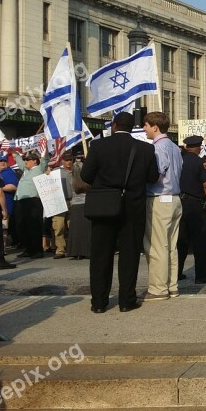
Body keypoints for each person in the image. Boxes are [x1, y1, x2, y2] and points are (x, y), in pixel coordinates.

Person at [81, 112, 159, 313]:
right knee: (130, 255)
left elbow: (86, 175)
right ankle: (126, 300)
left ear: (114, 126)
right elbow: (152, 177)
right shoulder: (145, 149)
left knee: (100, 255)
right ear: (133, 127)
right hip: (132, 208)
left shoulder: (98, 146)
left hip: (104, 207)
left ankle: (99, 302)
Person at [142, 111, 183, 301]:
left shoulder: (158, 148)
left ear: (155, 127)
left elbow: (156, 174)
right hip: (174, 198)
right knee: (170, 246)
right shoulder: (175, 147)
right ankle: (171, 285)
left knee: (157, 246)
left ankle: (158, 288)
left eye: (146, 125)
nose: (144, 129)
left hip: (160, 197)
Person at [177, 136, 206, 284]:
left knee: (181, 240)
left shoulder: (179, 161)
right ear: (200, 147)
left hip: (179, 203)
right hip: (195, 204)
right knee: (200, 240)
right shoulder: (200, 163)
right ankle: (201, 274)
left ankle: (177, 272)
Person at [13, 149, 49, 259]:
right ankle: (28, 249)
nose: (26, 161)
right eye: (26, 159)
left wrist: (44, 149)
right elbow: (17, 158)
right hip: (20, 200)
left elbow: (45, 159)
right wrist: (11, 149)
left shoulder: (39, 169)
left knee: (34, 226)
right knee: (21, 226)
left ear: (35, 161)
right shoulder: (25, 170)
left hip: (33, 201)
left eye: (28, 159)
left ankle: (37, 250)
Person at [66, 157, 91, 260]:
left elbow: (68, 193)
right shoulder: (88, 179)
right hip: (86, 204)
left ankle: (76, 252)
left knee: (76, 230)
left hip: (75, 205)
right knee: (86, 230)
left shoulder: (70, 179)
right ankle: (87, 251)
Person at [50, 152, 74, 259]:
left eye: (70, 160)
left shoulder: (76, 170)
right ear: (62, 161)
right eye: (67, 160)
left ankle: (73, 249)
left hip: (73, 201)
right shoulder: (56, 171)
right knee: (59, 227)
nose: (69, 162)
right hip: (60, 201)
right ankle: (60, 250)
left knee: (73, 226)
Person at [0, 153, 18, 250]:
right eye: (1, 161)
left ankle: (2, 248)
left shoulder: (9, 172)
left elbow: (14, 186)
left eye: (4, 161)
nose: (3, 163)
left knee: (3, 227)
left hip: (6, 205)